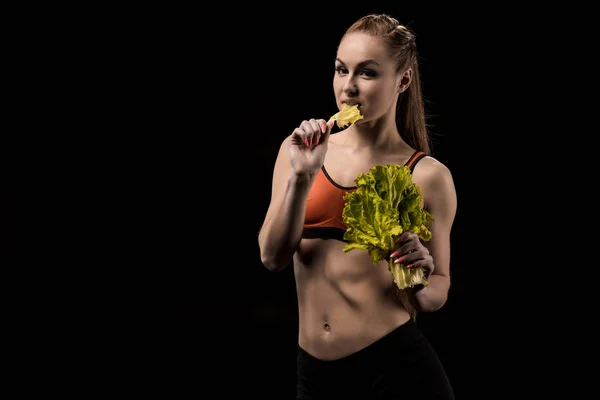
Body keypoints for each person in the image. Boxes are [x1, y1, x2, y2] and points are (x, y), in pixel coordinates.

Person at [258, 13, 457, 400]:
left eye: (366, 73)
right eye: (340, 70)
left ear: (403, 80)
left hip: (396, 371)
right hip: (315, 376)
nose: (347, 87)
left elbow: (437, 292)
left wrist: (418, 274)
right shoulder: (299, 151)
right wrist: (302, 176)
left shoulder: (427, 175)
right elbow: (272, 256)